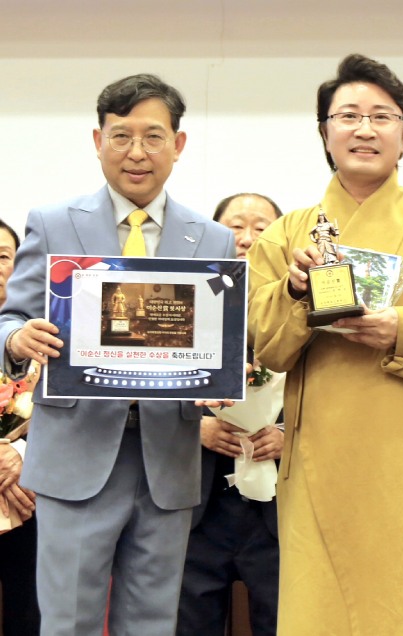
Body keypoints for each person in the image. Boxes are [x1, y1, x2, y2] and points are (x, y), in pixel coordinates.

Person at [247, 53, 403, 635]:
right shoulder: (287, 235)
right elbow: (266, 345)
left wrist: (399, 328)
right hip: (318, 454)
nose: (365, 129)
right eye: (348, 116)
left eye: (383, 117)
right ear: (325, 133)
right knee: (321, 606)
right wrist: (293, 289)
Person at [0, 73, 235, 635]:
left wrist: (226, 376)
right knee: (69, 620)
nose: (136, 152)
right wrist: (16, 339)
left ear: (178, 145)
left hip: (168, 458)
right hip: (75, 453)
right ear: (97, 140)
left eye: (153, 137)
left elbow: (225, 342)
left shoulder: (211, 239)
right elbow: (10, 317)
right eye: (120, 135)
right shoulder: (54, 223)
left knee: (153, 622)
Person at [178, 192, 283, 636]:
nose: (247, 237)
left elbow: (336, 396)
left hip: (280, 507)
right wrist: (192, 427)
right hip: (197, 505)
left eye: (262, 228)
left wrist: (289, 433)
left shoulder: (304, 309)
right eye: (235, 226)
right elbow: (150, 385)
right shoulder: (181, 304)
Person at [0, 219, 40, 636]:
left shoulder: (42, 333)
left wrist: (19, 455)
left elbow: (73, 410)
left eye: (3, 256)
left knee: (29, 616)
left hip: (26, 498)